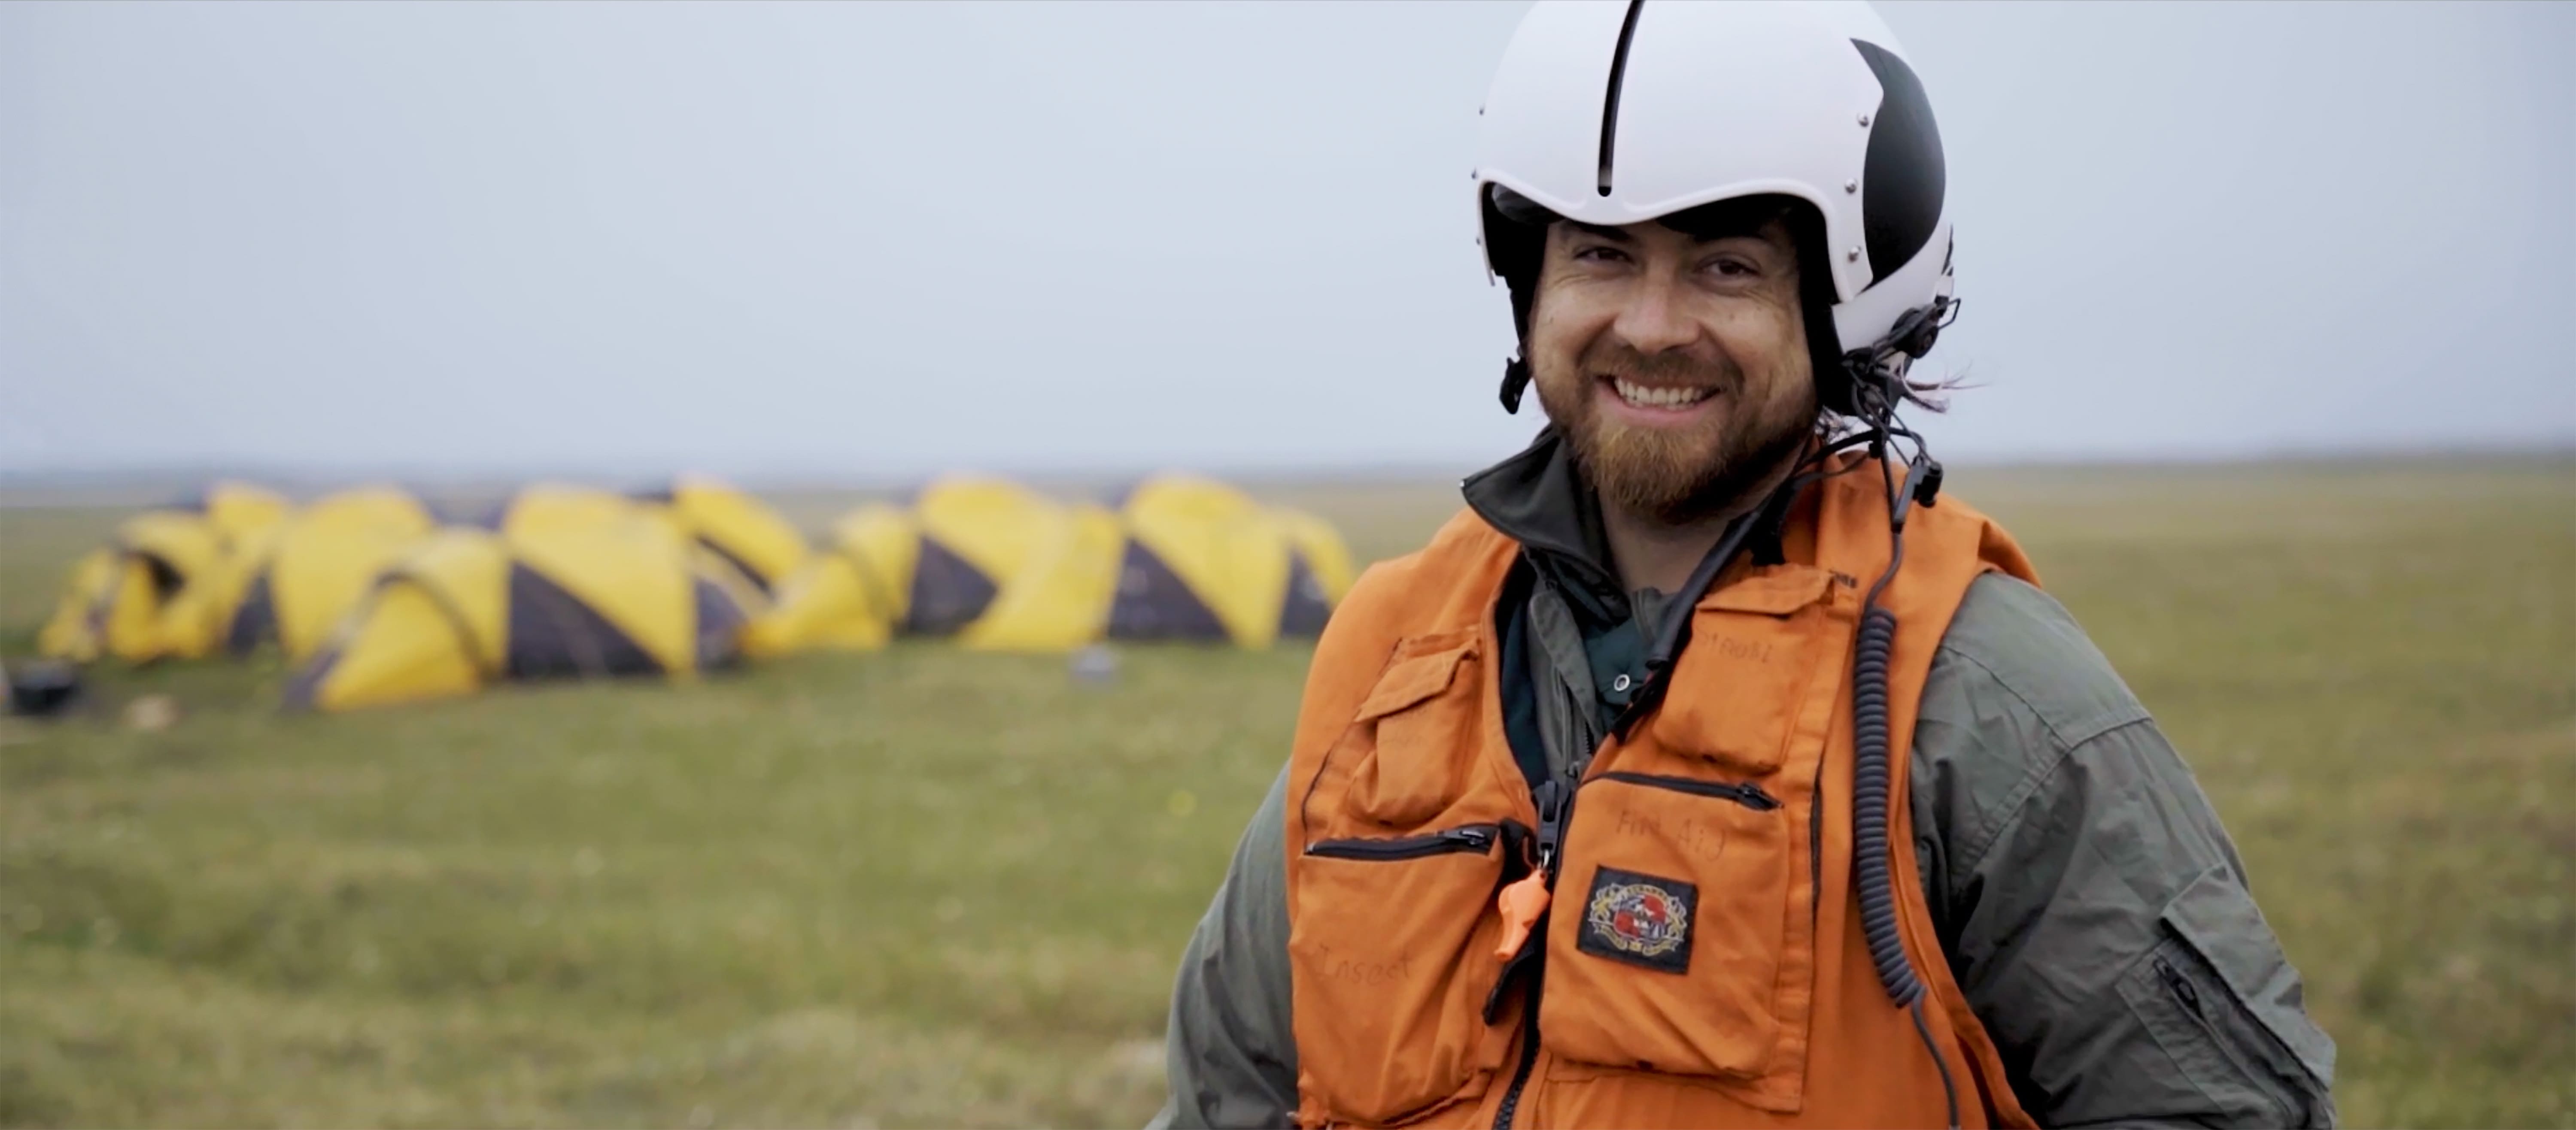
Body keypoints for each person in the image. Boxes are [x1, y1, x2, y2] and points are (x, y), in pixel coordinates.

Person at [1151, 2, 2335, 1127]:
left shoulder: (1979, 693)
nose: (1654, 324)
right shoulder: (1390, 666)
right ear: (1530, 282)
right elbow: (1230, 1095)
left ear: (1840, 302)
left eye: (1725, 265)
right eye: (1603, 254)